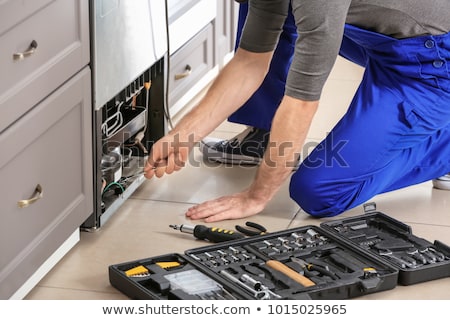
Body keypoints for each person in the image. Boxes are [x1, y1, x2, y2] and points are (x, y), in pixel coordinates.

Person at [144, 1, 450, 223]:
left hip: (433, 63)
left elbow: (301, 102)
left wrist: (256, 196)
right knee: (286, 15)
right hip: (394, 40)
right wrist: (181, 135)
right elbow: (250, 62)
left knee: (319, 192)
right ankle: (262, 136)